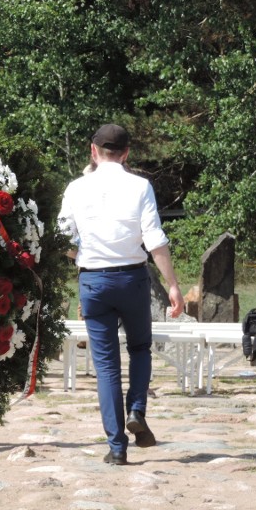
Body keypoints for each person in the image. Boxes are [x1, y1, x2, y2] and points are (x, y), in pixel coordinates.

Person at [58, 124, 184, 466]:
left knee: (107, 367)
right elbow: (154, 238)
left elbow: (64, 240)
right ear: (127, 153)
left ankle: (117, 447)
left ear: (93, 151)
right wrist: (172, 284)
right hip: (131, 278)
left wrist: (84, 254)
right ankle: (137, 409)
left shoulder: (75, 188)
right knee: (140, 348)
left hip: (94, 281)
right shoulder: (140, 185)